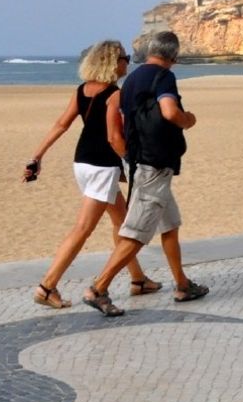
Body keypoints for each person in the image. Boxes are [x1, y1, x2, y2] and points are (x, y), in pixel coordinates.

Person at [23, 39, 157, 309]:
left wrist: (37, 156)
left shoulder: (83, 90)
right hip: (100, 167)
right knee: (83, 229)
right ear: (111, 62)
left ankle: (138, 279)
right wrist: (132, 162)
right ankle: (47, 286)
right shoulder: (113, 94)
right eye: (124, 57)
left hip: (82, 163)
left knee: (121, 221)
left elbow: (62, 124)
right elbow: (113, 137)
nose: (127, 62)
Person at [83, 31, 208, 317]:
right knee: (138, 233)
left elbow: (121, 126)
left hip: (139, 161)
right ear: (173, 55)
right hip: (155, 164)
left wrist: (129, 159)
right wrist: (188, 120)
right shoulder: (164, 77)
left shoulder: (131, 81)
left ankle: (182, 284)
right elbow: (169, 112)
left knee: (170, 224)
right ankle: (98, 289)